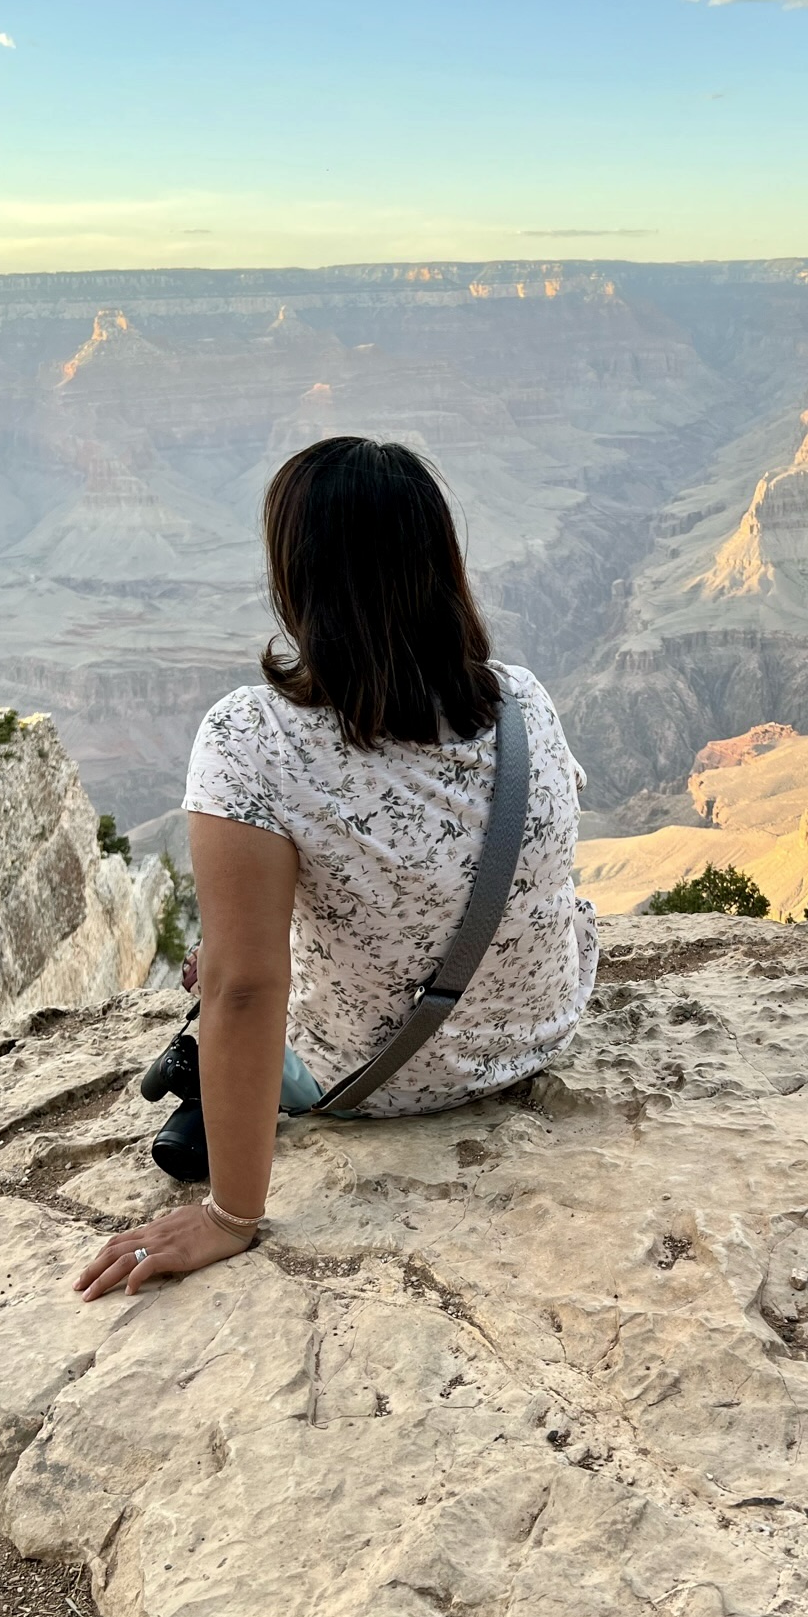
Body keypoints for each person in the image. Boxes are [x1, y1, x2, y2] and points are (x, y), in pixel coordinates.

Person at [76, 437, 598, 1302]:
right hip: (535, 1036)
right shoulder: (522, 698)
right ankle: (215, 1067)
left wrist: (229, 1217)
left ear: (297, 579)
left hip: (374, 1083)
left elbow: (247, 989)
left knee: (225, 967)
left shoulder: (251, 737)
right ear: (442, 565)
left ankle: (213, 1077)